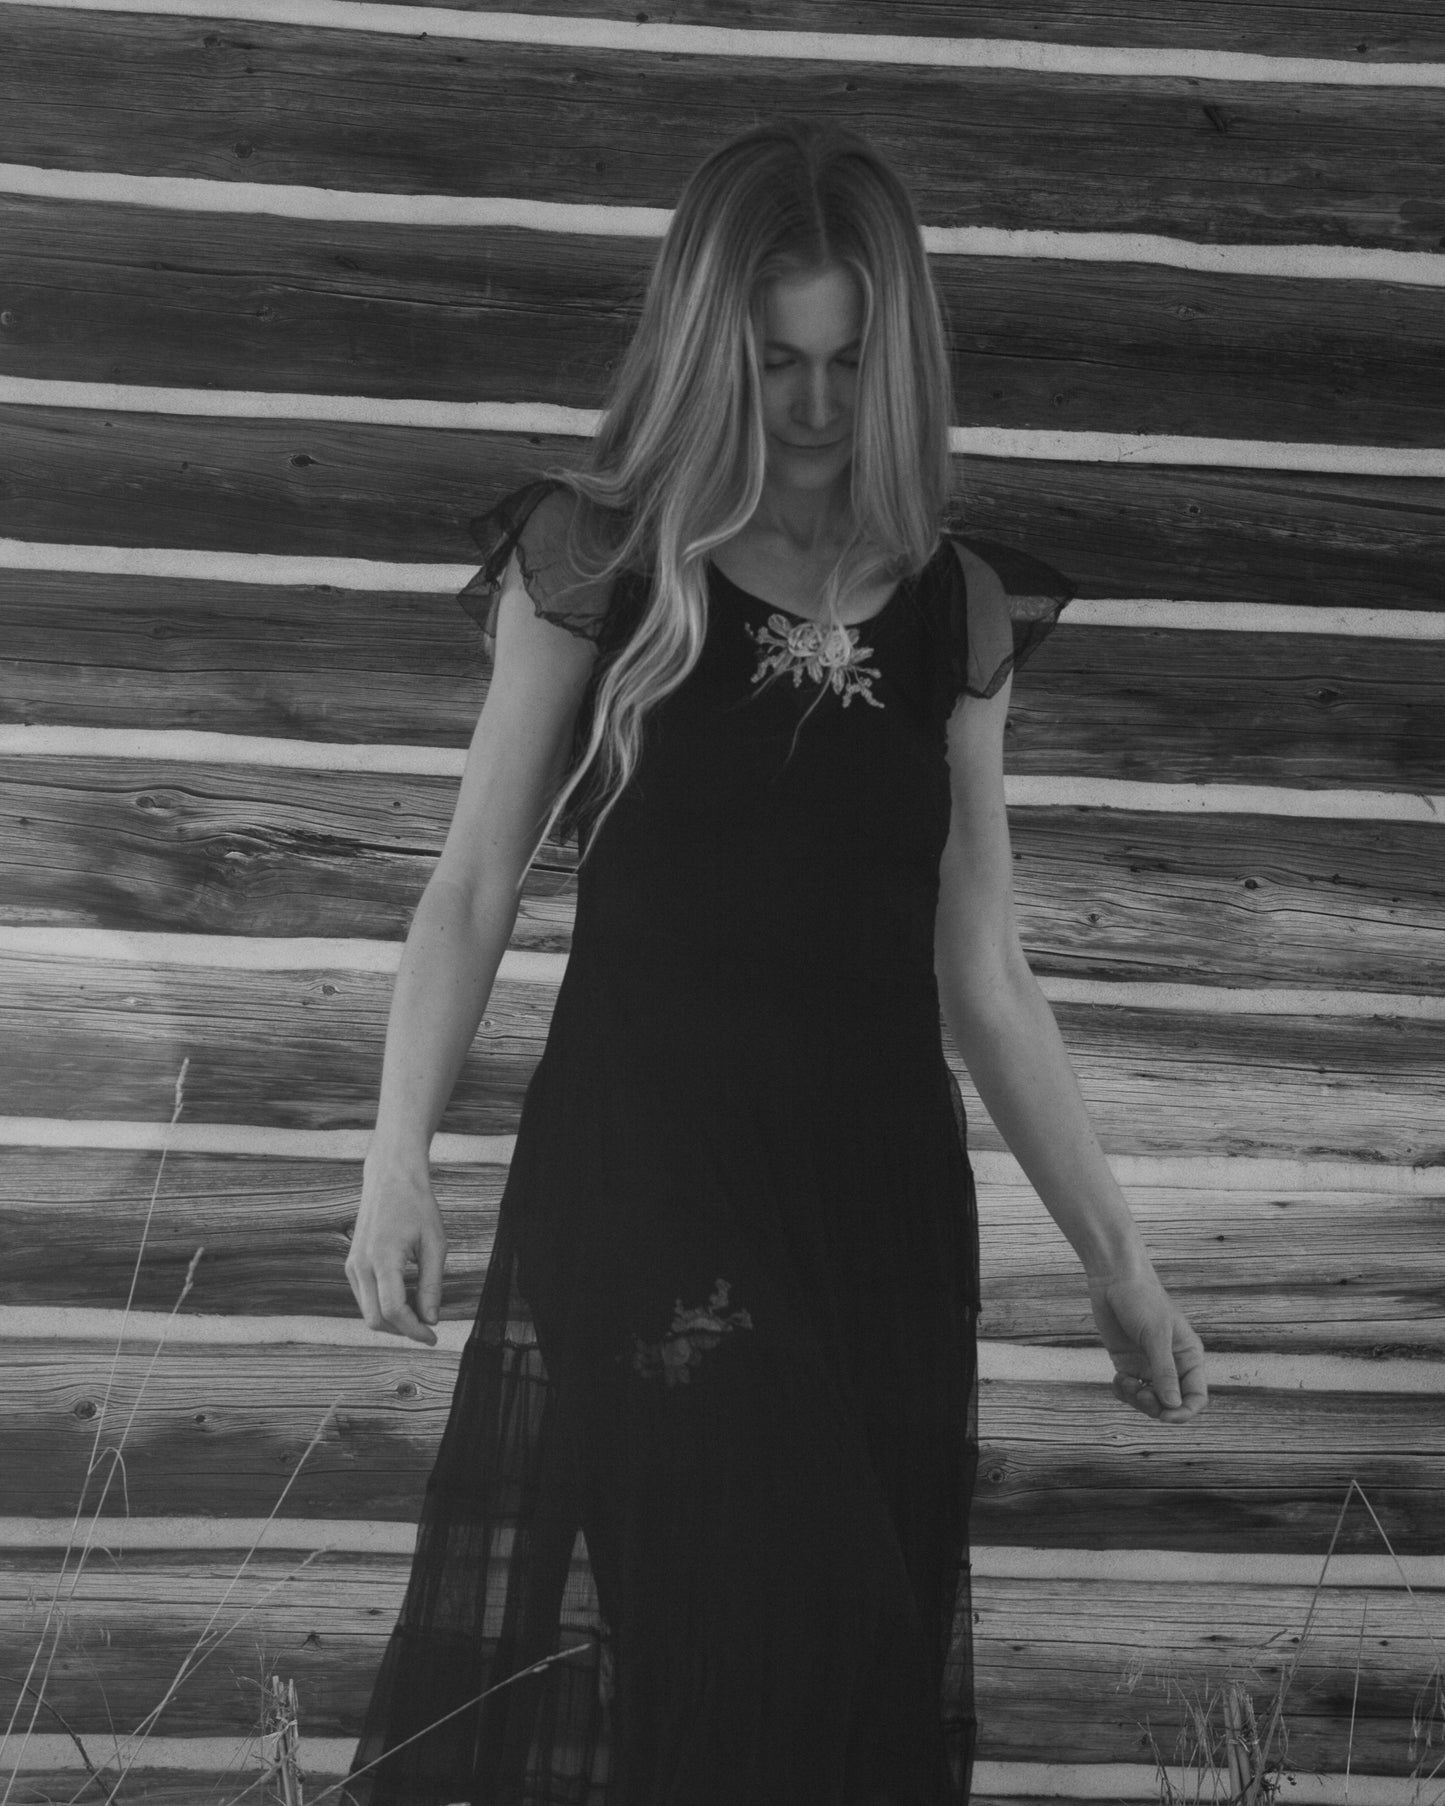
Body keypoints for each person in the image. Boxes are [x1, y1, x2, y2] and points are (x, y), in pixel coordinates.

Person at [340, 116, 1208, 1806]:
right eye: (775, 362)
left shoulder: (953, 605)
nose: (813, 406)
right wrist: (393, 1157)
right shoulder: (597, 563)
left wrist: (1119, 1260)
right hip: (652, 1199)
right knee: (774, 1621)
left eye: (848, 362)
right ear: (705, 350)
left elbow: (984, 965)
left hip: (875, 1219)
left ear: (901, 361)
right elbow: (466, 889)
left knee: (833, 1696)